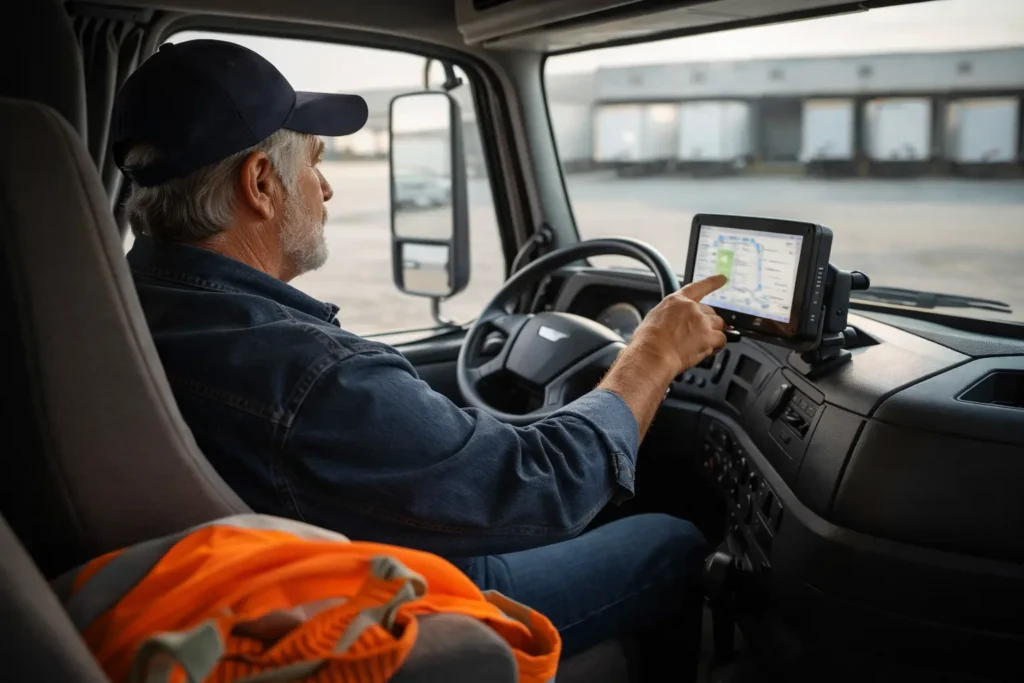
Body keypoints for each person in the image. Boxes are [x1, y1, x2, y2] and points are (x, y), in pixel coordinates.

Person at [113, 39, 729, 664]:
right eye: (314, 163)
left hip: (261, 585)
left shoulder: (115, 308)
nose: (324, 189)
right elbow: (545, 487)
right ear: (262, 183)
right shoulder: (308, 373)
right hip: (384, 598)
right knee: (671, 540)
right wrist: (651, 354)